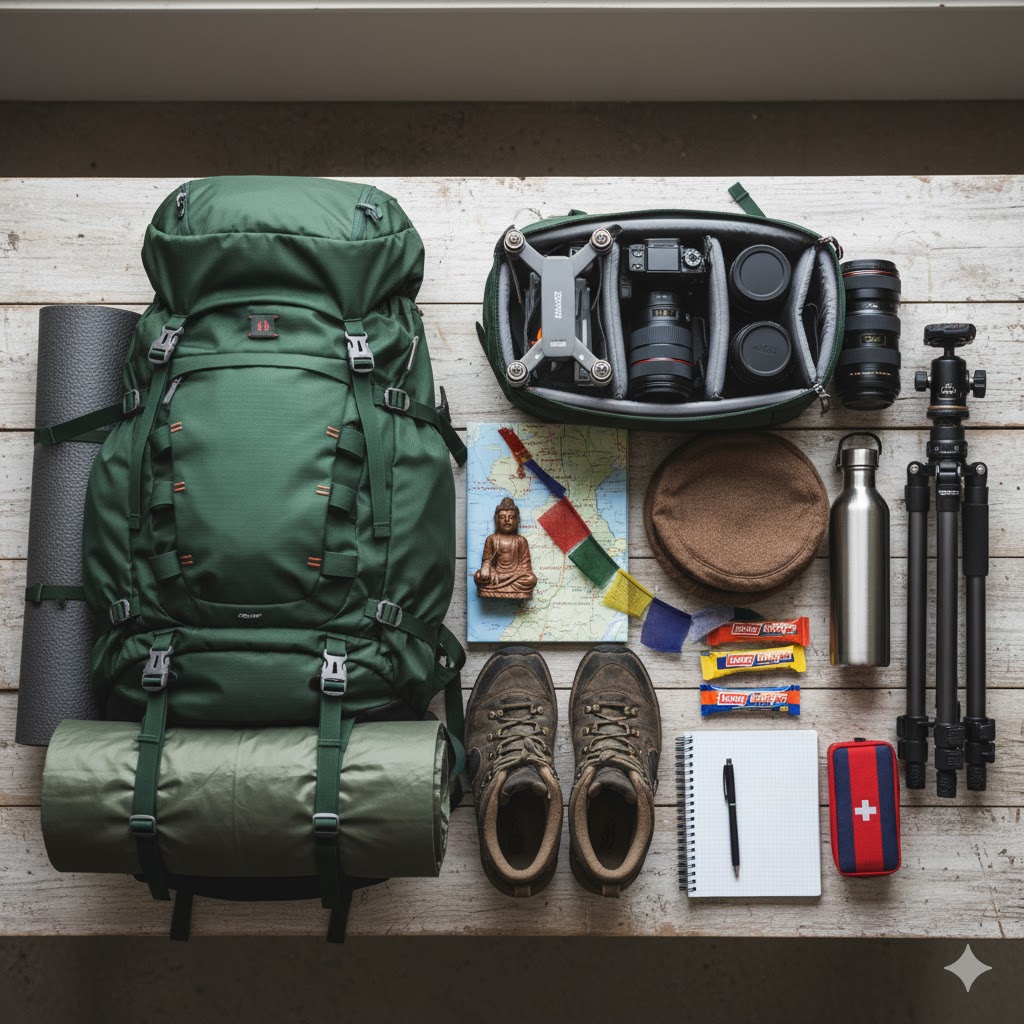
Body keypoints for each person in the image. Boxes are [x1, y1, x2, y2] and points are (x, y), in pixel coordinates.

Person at [474, 496, 537, 599]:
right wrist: (487, 569)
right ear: (496, 520)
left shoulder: (521, 541)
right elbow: (487, 561)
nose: (507, 520)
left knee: (531, 579)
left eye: (511, 517)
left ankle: (502, 590)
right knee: (478, 576)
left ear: (517, 520)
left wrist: (511, 575)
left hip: (515, 577)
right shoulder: (491, 539)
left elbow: (526, 567)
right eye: (503, 517)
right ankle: (502, 589)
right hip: (496, 576)